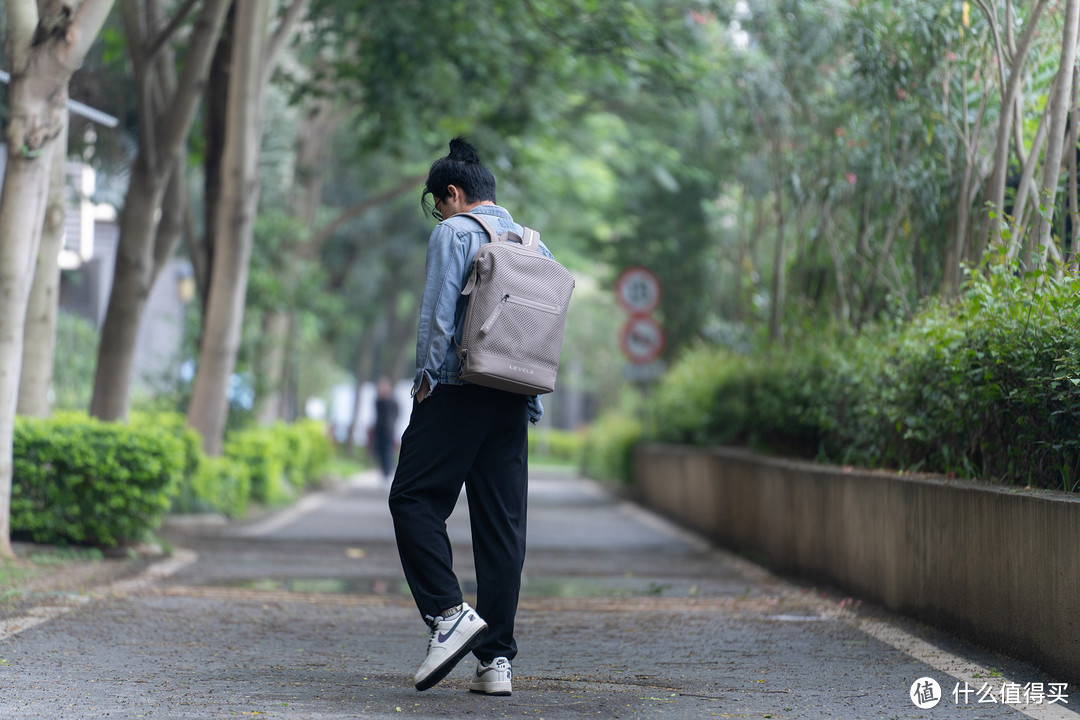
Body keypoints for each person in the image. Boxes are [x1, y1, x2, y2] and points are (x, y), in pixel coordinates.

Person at [387, 138, 553, 695]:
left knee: (411, 498)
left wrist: (427, 381)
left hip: (457, 387)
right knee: (501, 526)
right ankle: (496, 662)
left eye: (439, 202)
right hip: (513, 394)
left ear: (453, 195)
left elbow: (439, 315)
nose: (440, 212)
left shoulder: (453, 232)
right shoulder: (534, 243)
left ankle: (447, 613)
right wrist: (529, 399)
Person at [370, 377, 399, 482]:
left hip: (389, 431)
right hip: (379, 431)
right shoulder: (378, 402)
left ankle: (388, 472)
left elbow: (396, 414)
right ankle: (384, 472)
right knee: (381, 452)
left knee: (388, 452)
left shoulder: (392, 402)